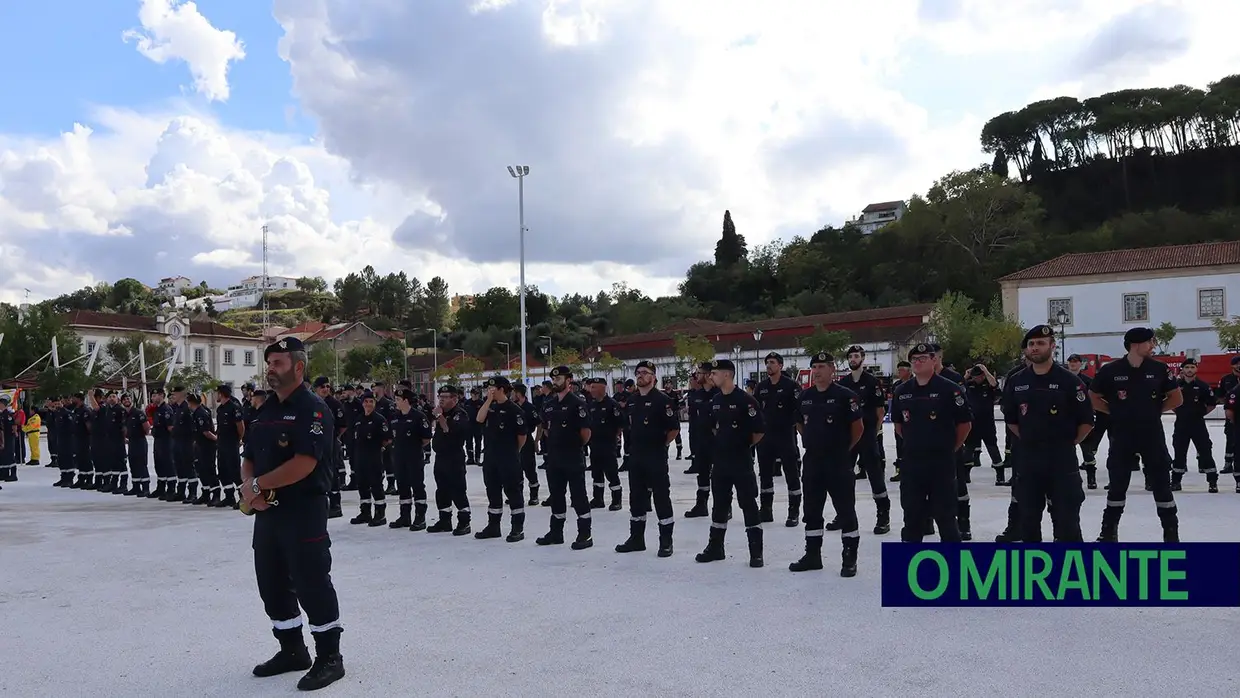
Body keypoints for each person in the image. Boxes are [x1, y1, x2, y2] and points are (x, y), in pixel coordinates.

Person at [242, 336, 345, 691]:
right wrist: (250, 488)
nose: (270, 369)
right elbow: (249, 456)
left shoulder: (313, 409)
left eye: (278, 363)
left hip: (303, 510)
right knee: (270, 582)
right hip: (268, 512)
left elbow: (305, 463)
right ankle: (292, 650)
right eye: (269, 362)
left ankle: (330, 657)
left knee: (311, 581)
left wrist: (257, 486)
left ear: (298, 367)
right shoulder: (264, 410)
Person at [1001, 325, 1094, 542]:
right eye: (1031, 344)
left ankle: (1071, 572)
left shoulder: (1070, 382)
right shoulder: (1017, 381)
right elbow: (1011, 419)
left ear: (1052, 346)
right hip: (1029, 460)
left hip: (1062, 461)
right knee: (1028, 522)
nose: (1035, 348)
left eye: (1041, 343)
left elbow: (1087, 421)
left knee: (1067, 522)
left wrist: (1067, 442)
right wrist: (1030, 439)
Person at [1090, 327, 1183, 542]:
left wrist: (1151, 411)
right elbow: (1093, 396)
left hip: (1151, 433)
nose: (1153, 346)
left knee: (1161, 483)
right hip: (1122, 433)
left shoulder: (1159, 369)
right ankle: (1108, 531)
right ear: (1135, 344)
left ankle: (1171, 532)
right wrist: (1116, 411)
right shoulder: (1111, 370)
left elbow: (1176, 398)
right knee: (1117, 484)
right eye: (1149, 342)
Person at [792, 352, 864, 576]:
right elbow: (799, 424)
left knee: (845, 510)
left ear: (832, 369)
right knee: (812, 511)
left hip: (838, 461)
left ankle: (849, 558)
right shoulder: (805, 397)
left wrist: (842, 449)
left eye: (822, 366)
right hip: (813, 461)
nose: (818, 371)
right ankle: (813, 555)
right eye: (815, 366)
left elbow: (858, 428)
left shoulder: (845, 396)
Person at [890, 343, 971, 543]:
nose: (917, 363)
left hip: (941, 463)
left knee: (945, 517)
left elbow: (964, 424)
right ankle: (910, 566)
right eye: (914, 360)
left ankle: (953, 567)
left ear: (934, 360)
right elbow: (899, 425)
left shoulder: (950, 389)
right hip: (913, 463)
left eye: (923, 359)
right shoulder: (902, 391)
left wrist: (950, 447)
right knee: (912, 517)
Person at [695, 359, 765, 568]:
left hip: (741, 461)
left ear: (727, 374)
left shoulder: (746, 400)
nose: (710, 376)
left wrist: (741, 444)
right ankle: (716, 547)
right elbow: (712, 428)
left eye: (714, 373)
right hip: (721, 462)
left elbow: (759, 431)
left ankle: (756, 552)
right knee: (719, 505)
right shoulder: (715, 401)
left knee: (748, 505)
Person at [615, 361, 680, 557]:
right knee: (637, 499)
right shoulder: (633, 400)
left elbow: (674, 429)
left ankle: (666, 541)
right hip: (636, 456)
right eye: (638, 373)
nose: (640, 375)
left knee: (661, 498)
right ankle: (636, 539)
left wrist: (661, 444)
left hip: (655, 456)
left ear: (653, 377)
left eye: (645, 372)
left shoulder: (663, 400)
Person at [834, 346, 891, 535]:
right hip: (848, 436)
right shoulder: (844, 383)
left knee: (875, 475)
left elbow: (880, 410)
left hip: (867, 434)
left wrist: (874, 432)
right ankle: (843, 514)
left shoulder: (872, 382)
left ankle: (883, 515)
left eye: (856, 356)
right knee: (843, 476)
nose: (853, 359)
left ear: (863, 359)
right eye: (850, 356)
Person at [536, 366, 594, 550]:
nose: (555, 382)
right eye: (553, 379)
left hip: (572, 457)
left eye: (559, 379)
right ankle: (556, 532)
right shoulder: (549, 403)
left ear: (569, 380)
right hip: (554, 457)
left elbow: (585, 433)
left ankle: (585, 533)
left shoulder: (578, 403)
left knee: (578, 496)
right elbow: (546, 428)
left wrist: (573, 445)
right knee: (557, 496)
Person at [475, 376, 529, 542]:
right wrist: (488, 400)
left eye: (493, 389)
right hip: (491, 457)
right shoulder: (489, 407)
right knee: (492, 492)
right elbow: (479, 419)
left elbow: (522, 436)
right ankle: (493, 526)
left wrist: (514, 452)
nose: (489, 391)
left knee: (513, 492)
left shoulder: (515, 410)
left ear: (502, 389)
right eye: (488, 389)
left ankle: (517, 528)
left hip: (508, 457)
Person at [754, 352, 804, 528]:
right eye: (767, 362)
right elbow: (756, 410)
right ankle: (766, 510)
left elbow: (801, 409)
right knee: (765, 474)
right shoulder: (761, 387)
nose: (769, 365)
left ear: (780, 366)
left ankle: (794, 511)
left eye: (772, 362)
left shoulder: (791, 386)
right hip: (766, 437)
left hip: (785, 435)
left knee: (791, 473)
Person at [427, 386, 472, 535]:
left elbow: (449, 430)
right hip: (440, 457)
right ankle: (444, 520)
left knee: (457, 490)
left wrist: (439, 417)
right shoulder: (442, 413)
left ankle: (464, 522)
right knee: (442, 491)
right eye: (440, 396)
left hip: (454, 457)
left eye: (445, 396)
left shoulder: (460, 414)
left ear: (454, 398)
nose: (441, 399)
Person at [1171, 358, 1219, 493]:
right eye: (1187, 367)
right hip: (1181, 424)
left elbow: (1211, 403)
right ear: (1182, 370)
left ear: (1196, 369)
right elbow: (1171, 402)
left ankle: (1212, 482)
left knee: (1205, 452)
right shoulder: (1176, 386)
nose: (1190, 370)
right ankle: (1175, 482)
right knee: (1179, 453)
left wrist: (1201, 413)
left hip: (1198, 424)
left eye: (1192, 367)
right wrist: (1180, 413)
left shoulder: (1203, 386)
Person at [389, 388, 433, 531]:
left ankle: (420, 517)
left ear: (405, 401)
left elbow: (426, 438)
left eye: (397, 400)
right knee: (402, 485)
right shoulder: (395, 417)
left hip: (414, 456)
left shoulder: (418, 417)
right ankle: (405, 516)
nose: (395, 402)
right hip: (399, 456)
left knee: (417, 486)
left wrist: (413, 447)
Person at [349, 390, 391, 527]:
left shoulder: (379, 420)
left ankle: (380, 514)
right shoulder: (359, 420)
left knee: (376, 485)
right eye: (366, 402)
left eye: (371, 402)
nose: (368, 404)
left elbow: (387, 439)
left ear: (375, 403)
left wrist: (379, 449)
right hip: (360, 458)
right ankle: (365, 512)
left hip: (374, 458)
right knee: (362, 486)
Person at [584, 378, 624, 511]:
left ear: (603, 388)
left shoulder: (612, 405)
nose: (591, 390)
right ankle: (598, 499)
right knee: (596, 473)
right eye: (591, 387)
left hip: (608, 445)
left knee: (611, 473)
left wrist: (615, 437)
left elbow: (620, 424)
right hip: (594, 445)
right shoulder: (591, 405)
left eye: (594, 387)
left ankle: (616, 499)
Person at [684, 362, 717, 517]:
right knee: (702, 474)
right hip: (702, 441)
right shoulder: (696, 394)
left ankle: (724, 506)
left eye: (700, 372)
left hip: (718, 442)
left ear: (709, 374)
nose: (697, 375)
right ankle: (701, 504)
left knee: (719, 475)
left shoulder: (719, 394)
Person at [964, 364, 1005, 485]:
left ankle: (1000, 475)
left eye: (979, 376)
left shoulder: (988, 385)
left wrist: (986, 371)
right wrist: (966, 376)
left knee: (993, 449)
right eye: (974, 377)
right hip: (972, 423)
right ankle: (965, 475)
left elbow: (995, 385)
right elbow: (957, 386)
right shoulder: (969, 385)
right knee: (968, 450)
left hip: (987, 423)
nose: (977, 379)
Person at [1065, 354, 1102, 490]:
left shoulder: (1088, 381)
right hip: (1067, 421)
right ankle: (1071, 480)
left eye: (1075, 361)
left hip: (1084, 420)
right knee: (1068, 451)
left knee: (1088, 451)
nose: (1072, 364)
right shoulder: (1063, 380)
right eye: (1070, 361)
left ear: (1081, 364)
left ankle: (1091, 478)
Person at [311, 378, 346, 519]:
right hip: (315, 443)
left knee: (332, 472)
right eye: (322, 387)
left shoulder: (334, 404)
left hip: (330, 444)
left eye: (327, 386)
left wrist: (334, 437)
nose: (325, 389)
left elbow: (343, 425)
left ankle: (335, 505)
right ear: (315, 389)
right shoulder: (311, 402)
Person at [215, 384, 246, 509]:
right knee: (222, 470)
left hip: (231, 443)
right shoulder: (220, 409)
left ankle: (243, 497)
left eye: (217, 393)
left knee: (235, 471)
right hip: (221, 443)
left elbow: (241, 427)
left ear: (221, 394)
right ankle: (229, 496)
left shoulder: (234, 407)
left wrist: (239, 440)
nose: (216, 395)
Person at [512, 384, 542, 506]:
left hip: (527, 441)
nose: (511, 395)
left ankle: (534, 494)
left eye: (513, 393)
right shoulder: (511, 407)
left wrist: (536, 441)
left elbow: (539, 424)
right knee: (515, 469)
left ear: (518, 394)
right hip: (513, 441)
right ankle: (516, 495)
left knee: (529, 469)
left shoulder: (530, 408)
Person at [187, 393, 220, 506]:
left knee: (209, 470)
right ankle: (206, 493)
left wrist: (216, 440)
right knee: (202, 471)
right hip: (200, 445)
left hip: (207, 446)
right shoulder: (196, 413)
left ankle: (216, 494)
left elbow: (206, 432)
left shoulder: (200, 413)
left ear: (190, 403)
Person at [120, 393, 152, 496]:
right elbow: (125, 428)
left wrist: (142, 434)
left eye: (128, 398)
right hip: (131, 443)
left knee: (142, 464)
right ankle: (136, 487)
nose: (126, 400)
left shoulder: (138, 412)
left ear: (131, 400)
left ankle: (146, 488)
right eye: (124, 399)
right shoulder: (124, 414)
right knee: (133, 464)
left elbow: (146, 427)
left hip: (140, 441)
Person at [148, 389, 175, 499]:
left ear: (161, 396)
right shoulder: (157, 410)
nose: (152, 398)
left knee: (168, 465)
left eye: (154, 395)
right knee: (159, 465)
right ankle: (161, 488)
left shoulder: (166, 409)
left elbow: (170, 428)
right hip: (158, 441)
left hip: (166, 441)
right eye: (152, 396)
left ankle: (171, 489)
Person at [170, 387, 195, 502]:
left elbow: (192, 427)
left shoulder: (187, 408)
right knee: (179, 468)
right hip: (177, 442)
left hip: (186, 442)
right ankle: (181, 491)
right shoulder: (177, 408)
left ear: (181, 394)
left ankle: (192, 493)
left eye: (174, 394)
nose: (173, 396)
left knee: (188, 468)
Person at [1217, 356, 1240, 475]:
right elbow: (1220, 395)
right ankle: (1228, 463)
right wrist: (1228, 405)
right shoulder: (1226, 379)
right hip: (1232, 415)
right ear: (1232, 366)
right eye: (1236, 364)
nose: (1238, 366)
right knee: (1230, 439)